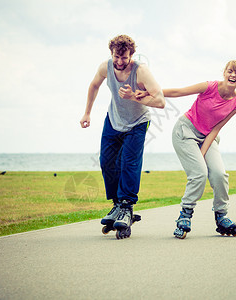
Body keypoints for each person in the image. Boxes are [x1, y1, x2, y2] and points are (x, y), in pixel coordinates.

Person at [135, 60, 236, 239]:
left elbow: (216, 128)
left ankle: (221, 216)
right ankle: (185, 215)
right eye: (230, 71)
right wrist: (149, 92)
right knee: (199, 174)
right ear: (224, 72)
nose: (233, 75)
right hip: (185, 131)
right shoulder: (209, 87)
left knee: (219, 174)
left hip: (208, 136)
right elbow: (179, 92)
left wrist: (202, 152)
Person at [80, 35, 165, 239]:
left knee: (129, 163)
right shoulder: (105, 67)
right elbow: (94, 86)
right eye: (116, 56)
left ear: (131, 55)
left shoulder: (141, 71)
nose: (119, 61)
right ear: (111, 53)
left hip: (137, 122)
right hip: (114, 120)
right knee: (106, 162)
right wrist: (87, 112)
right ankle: (117, 204)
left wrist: (134, 96)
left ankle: (127, 206)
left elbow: (160, 100)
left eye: (124, 57)